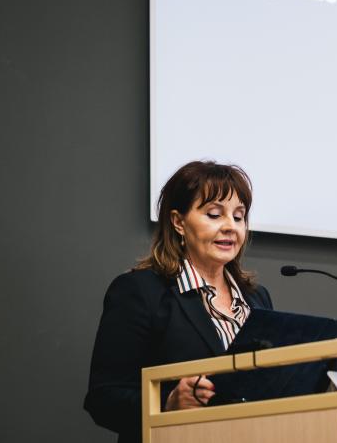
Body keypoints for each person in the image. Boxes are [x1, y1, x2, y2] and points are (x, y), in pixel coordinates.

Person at [84, 161, 272, 443]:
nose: (230, 227)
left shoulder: (256, 298)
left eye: (238, 217)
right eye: (214, 214)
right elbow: (104, 397)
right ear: (178, 222)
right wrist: (167, 402)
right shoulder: (140, 292)